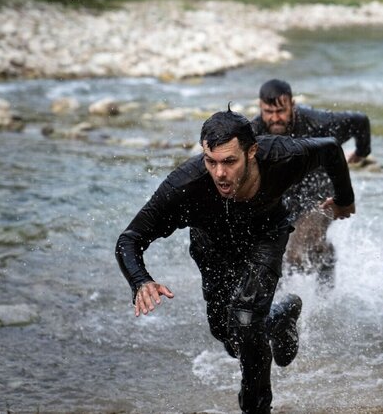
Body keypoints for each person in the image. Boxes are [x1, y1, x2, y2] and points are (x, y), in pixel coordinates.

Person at [115, 108, 355, 414]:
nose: (219, 173)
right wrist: (141, 280)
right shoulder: (185, 186)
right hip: (212, 252)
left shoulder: (282, 156)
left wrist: (345, 199)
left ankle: (256, 408)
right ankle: (280, 315)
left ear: (251, 151)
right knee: (227, 335)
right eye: (211, 161)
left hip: (266, 237)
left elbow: (332, 149)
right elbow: (129, 239)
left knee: (245, 317)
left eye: (229, 161)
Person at [251, 79, 371, 286]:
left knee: (296, 256)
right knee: (266, 258)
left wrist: (362, 152)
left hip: (321, 196)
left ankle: (325, 261)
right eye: (269, 112)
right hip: (284, 198)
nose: (275, 118)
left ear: (293, 104)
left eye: (281, 111)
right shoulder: (253, 132)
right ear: (261, 108)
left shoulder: (318, 123)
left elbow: (360, 121)